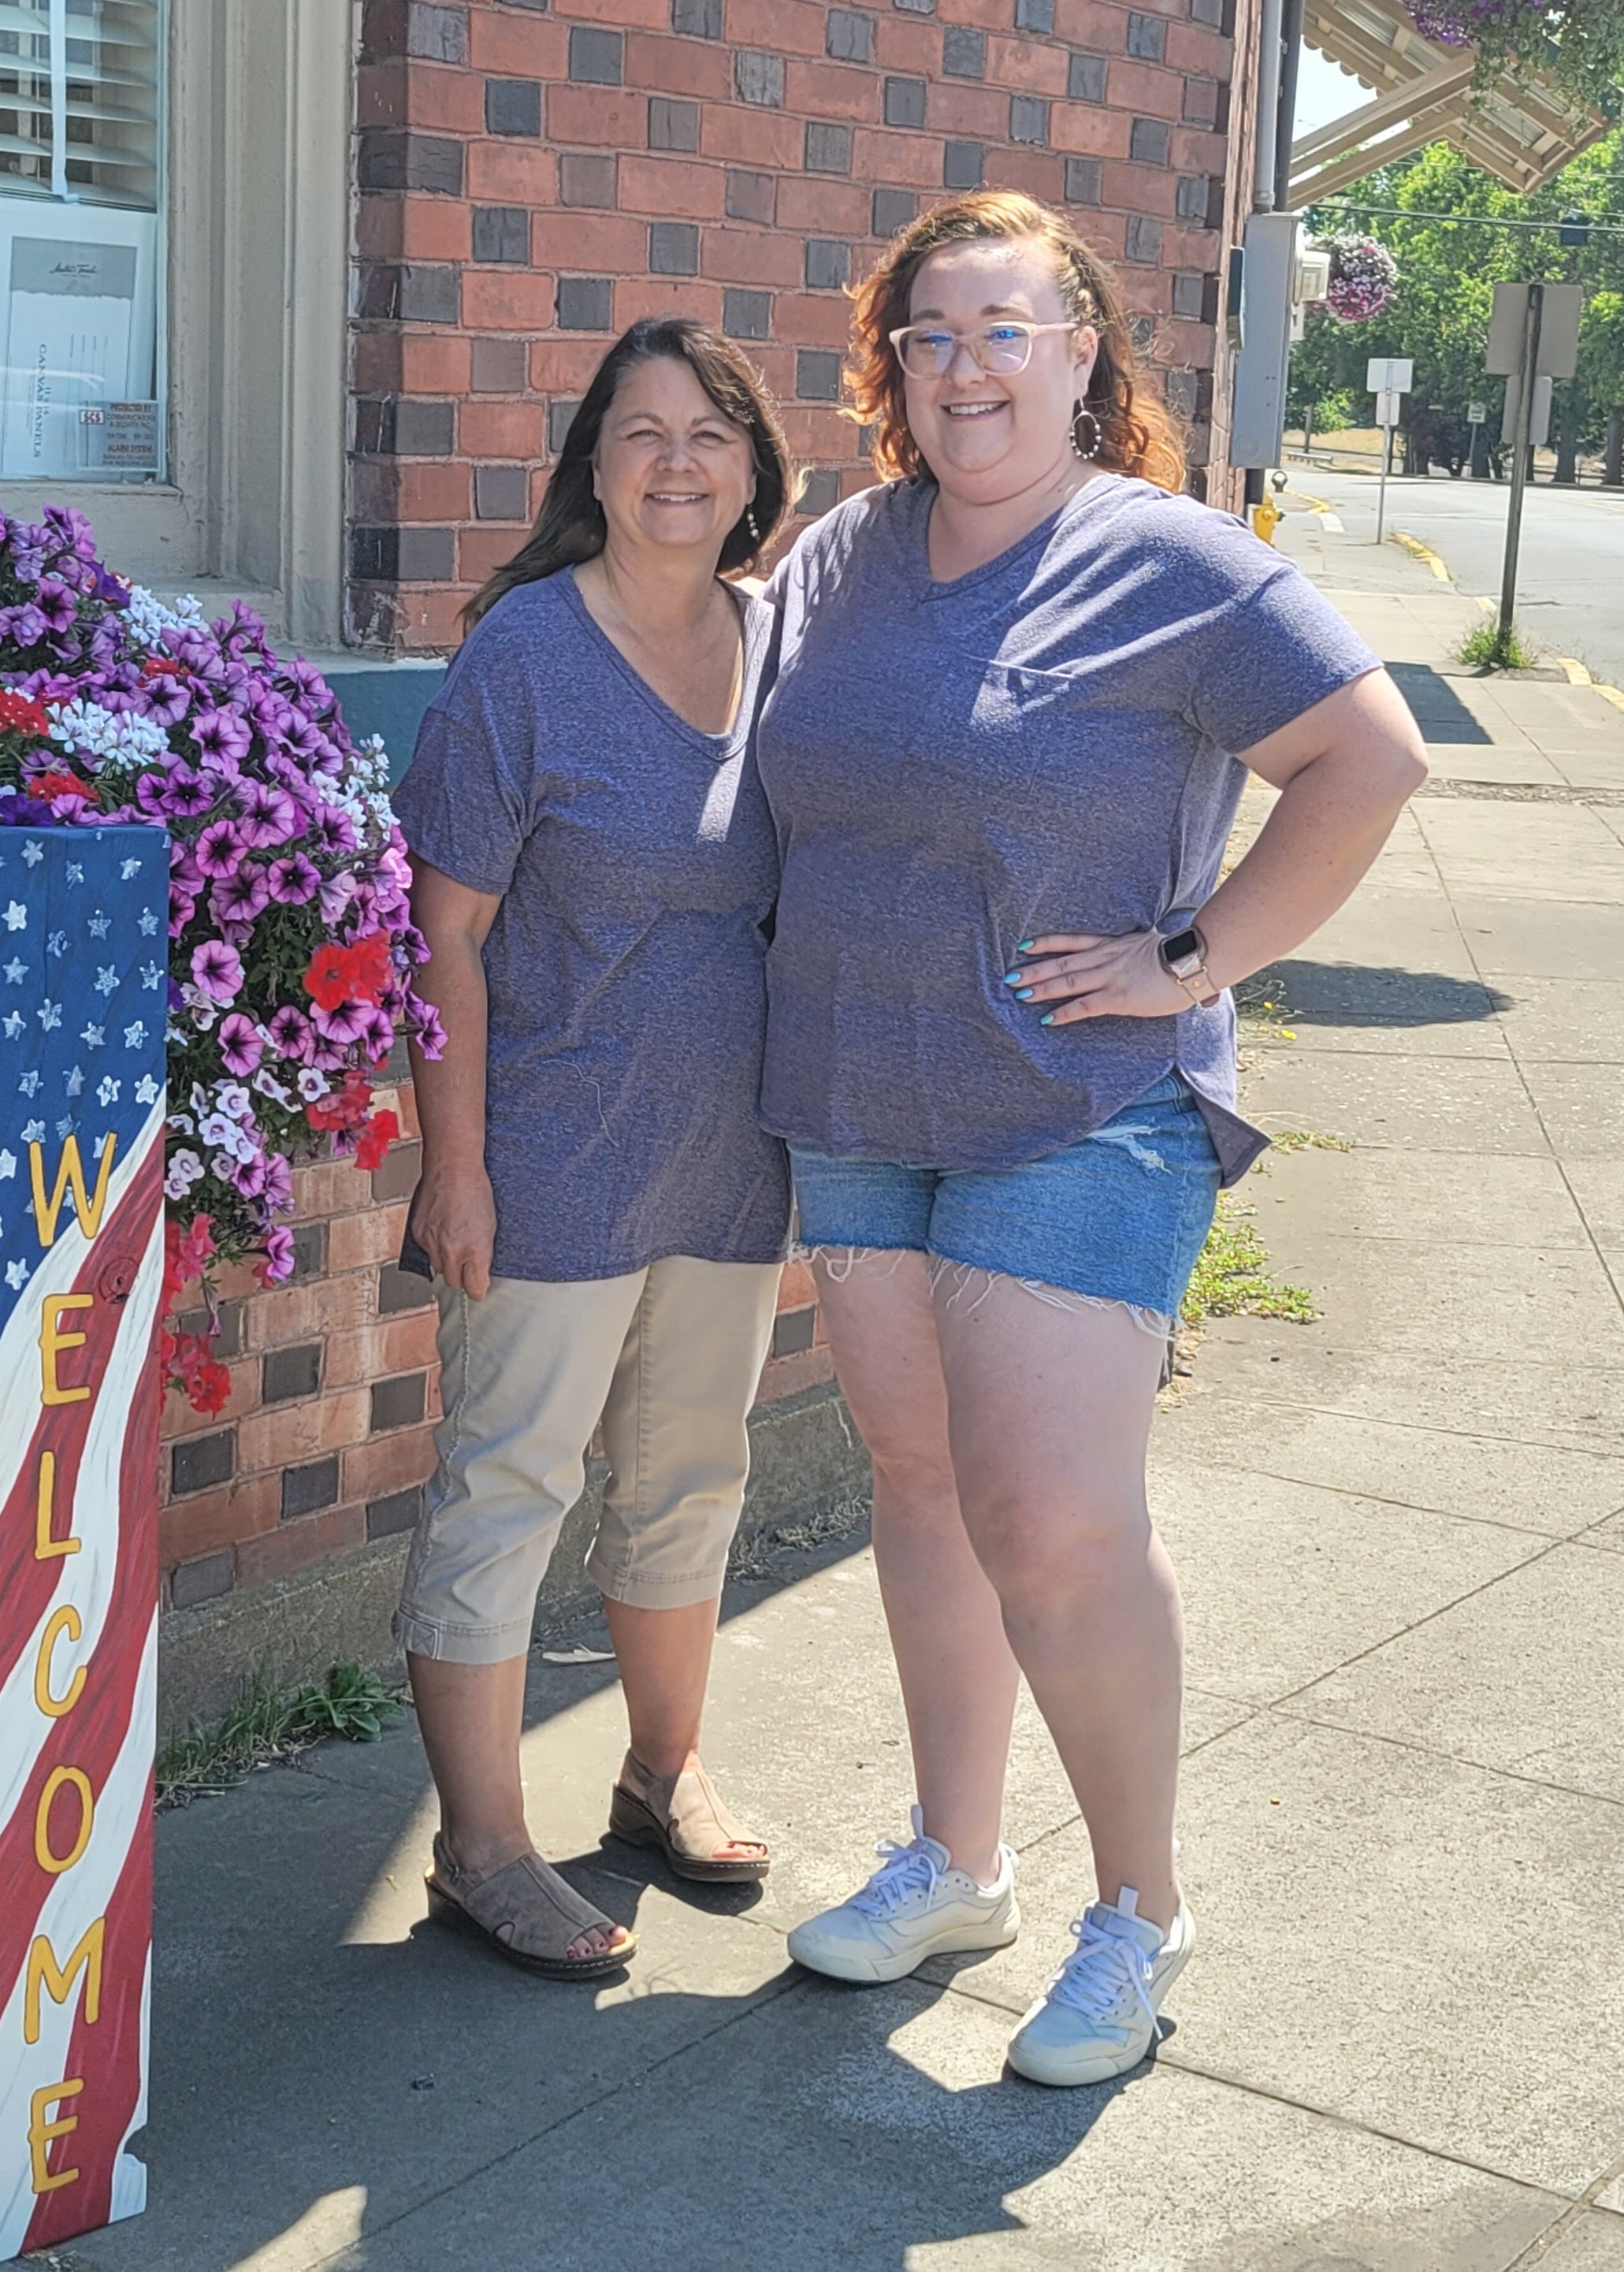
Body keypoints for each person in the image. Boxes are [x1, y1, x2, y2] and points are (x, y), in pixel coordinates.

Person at [757, 193, 1428, 2081]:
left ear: (1078, 349)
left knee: (1052, 1521)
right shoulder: (844, 557)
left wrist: (1194, 951)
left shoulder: (1173, 563)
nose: (962, 366)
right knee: (919, 1485)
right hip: (857, 1097)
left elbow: (1365, 759)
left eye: (1002, 327)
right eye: (927, 334)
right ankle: (954, 1857)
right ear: (890, 365)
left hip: (1077, 1105)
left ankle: (1136, 1915)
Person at [388, 319, 793, 1980]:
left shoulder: (784, 642)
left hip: (732, 1156)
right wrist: (455, 1163)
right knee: (508, 1486)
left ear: (755, 466)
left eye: (708, 432)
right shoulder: (527, 656)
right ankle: (480, 1846)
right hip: (549, 1150)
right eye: (640, 432)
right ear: (593, 464)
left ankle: (657, 1771)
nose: (676, 461)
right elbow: (444, 934)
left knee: (691, 1478)